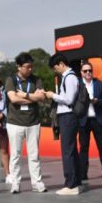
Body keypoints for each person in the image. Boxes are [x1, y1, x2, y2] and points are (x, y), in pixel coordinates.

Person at [5, 52, 48, 194]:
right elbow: (13, 99)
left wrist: (25, 95)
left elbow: (42, 97)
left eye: (31, 67)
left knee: (34, 155)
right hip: (15, 123)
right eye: (27, 67)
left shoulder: (36, 80)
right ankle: (15, 183)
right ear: (18, 67)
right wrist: (32, 98)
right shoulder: (11, 80)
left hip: (33, 122)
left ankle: (37, 183)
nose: (30, 69)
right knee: (15, 155)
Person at [45, 53, 85, 195]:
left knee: (67, 150)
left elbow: (68, 99)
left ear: (61, 64)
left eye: (56, 68)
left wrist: (52, 95)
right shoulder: (68, 77)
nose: (55, 71)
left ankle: (71, 184)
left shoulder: (70, 77)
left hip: (68, 116)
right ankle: (76, 182)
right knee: (71, 150)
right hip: (67, 116)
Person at [78, 61, 102, 181]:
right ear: (81, 73)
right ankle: (83, 173)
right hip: (83, 121)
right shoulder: (77, 85)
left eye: (90, 70)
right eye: (85, 71)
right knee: (83, 148)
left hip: (97, 120)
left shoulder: (99, 84)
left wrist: (97, 101)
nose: (88, 73)